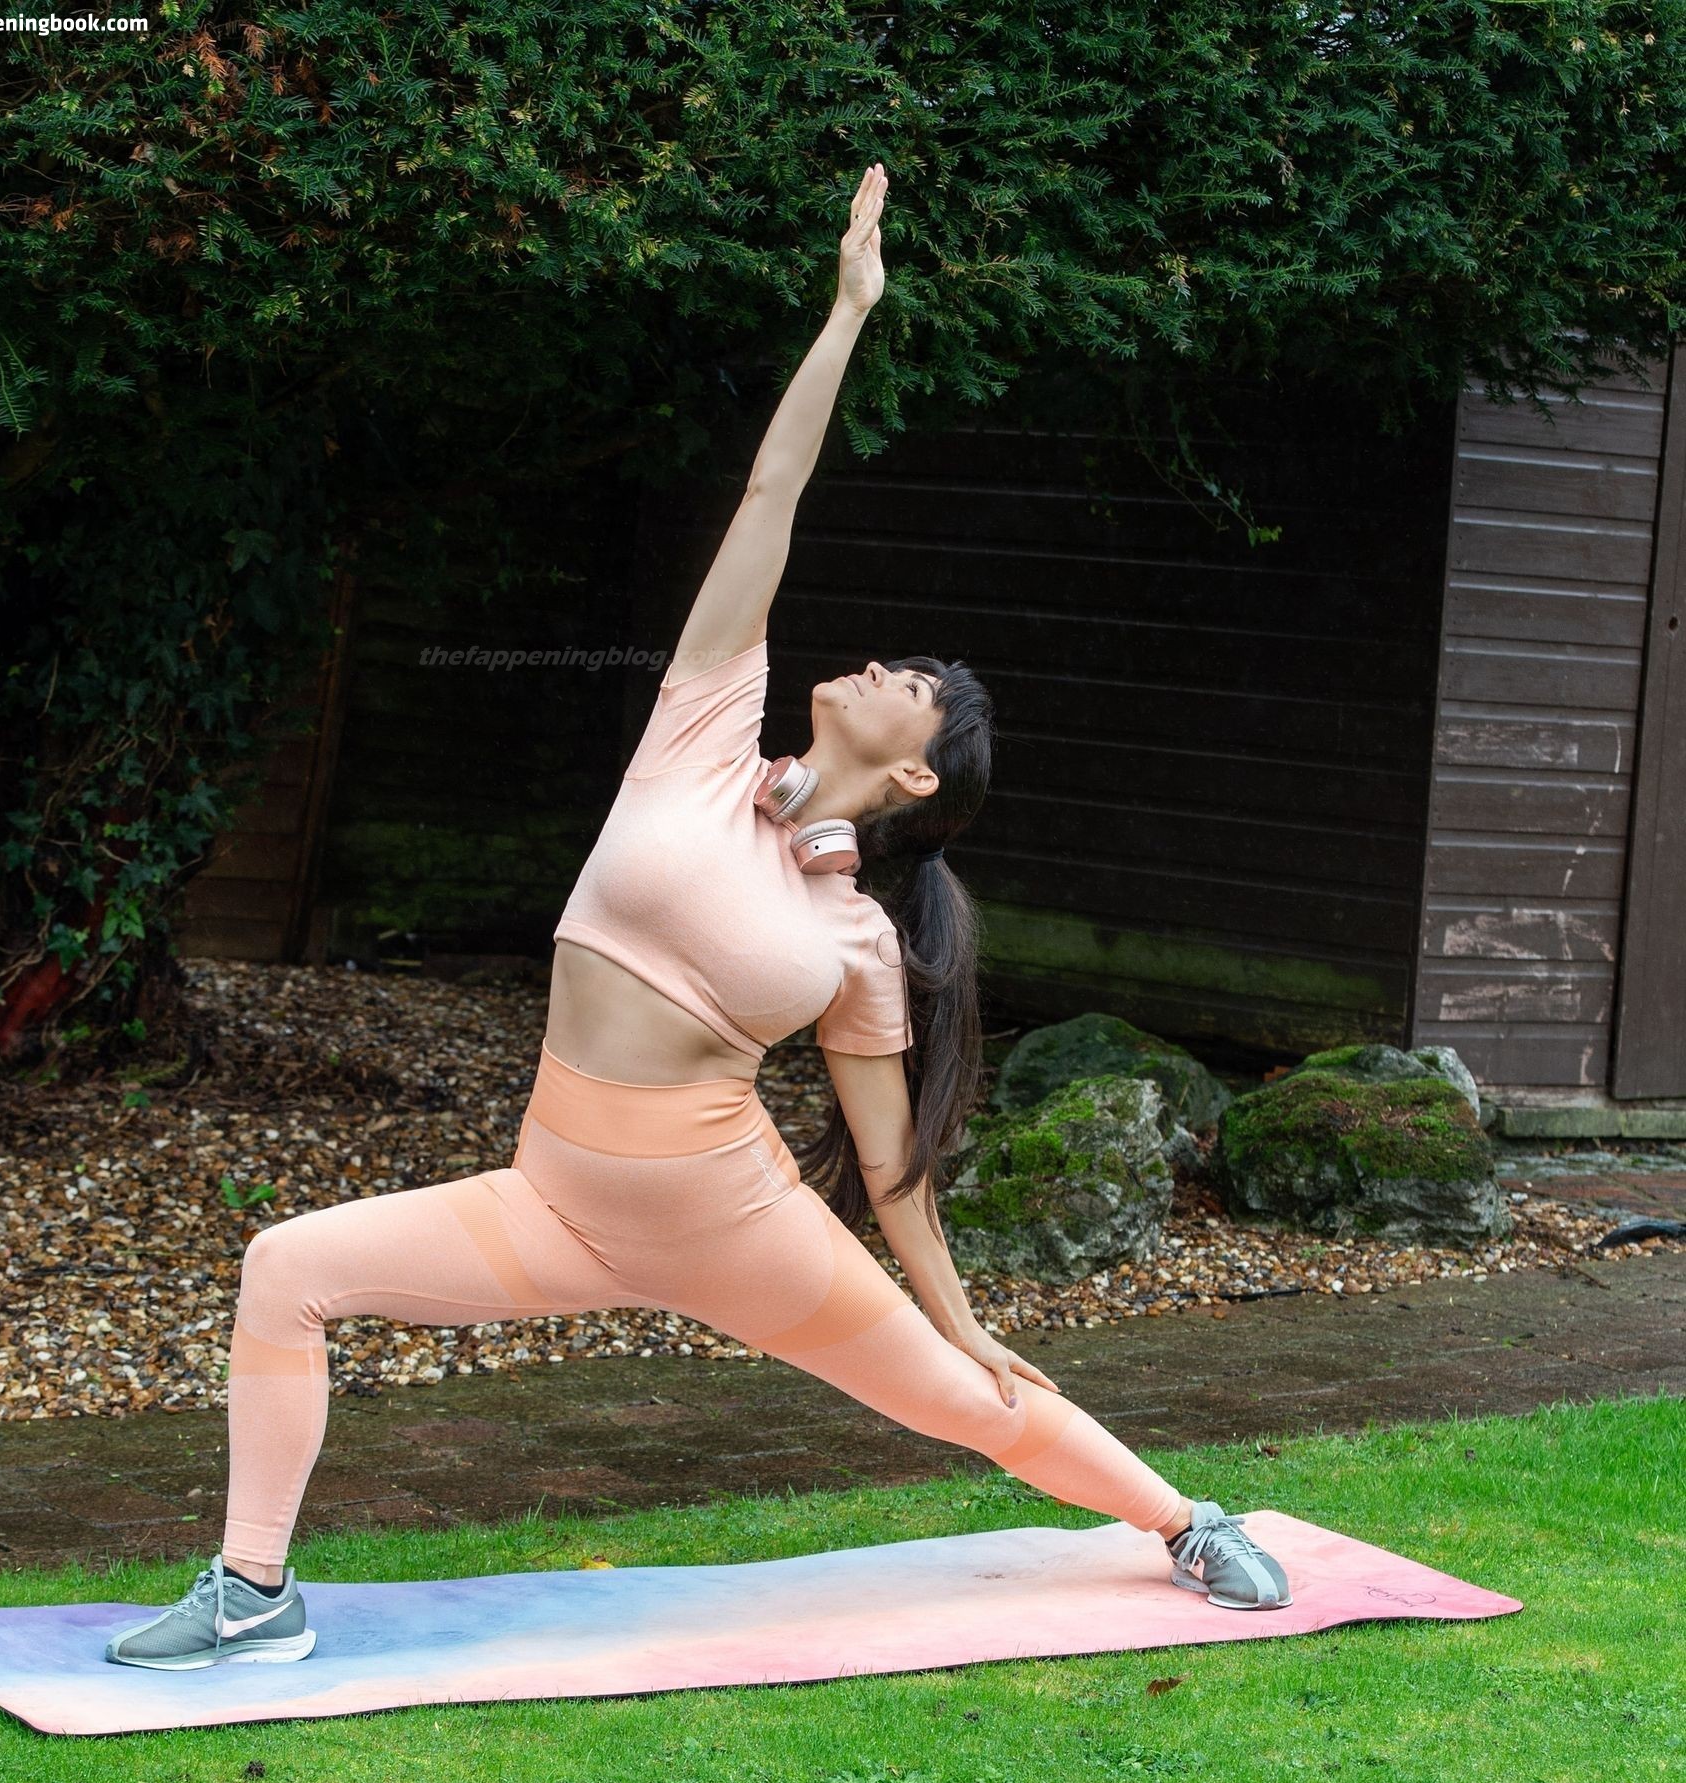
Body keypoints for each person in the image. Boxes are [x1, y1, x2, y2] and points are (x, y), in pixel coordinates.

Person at [105, 164, 1288, 1671]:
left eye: (912, 685)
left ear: (916, 773)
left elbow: (888, 1162)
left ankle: (1185, 1522)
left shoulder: (862, 940)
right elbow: (769, 497)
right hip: (553, 1207)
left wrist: (961, 1316)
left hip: (737, 1226)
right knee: (287, 1269)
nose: (879, 664)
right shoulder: (701, 735)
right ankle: (253, 1592)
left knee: (963, 1400)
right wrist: (847, 315)